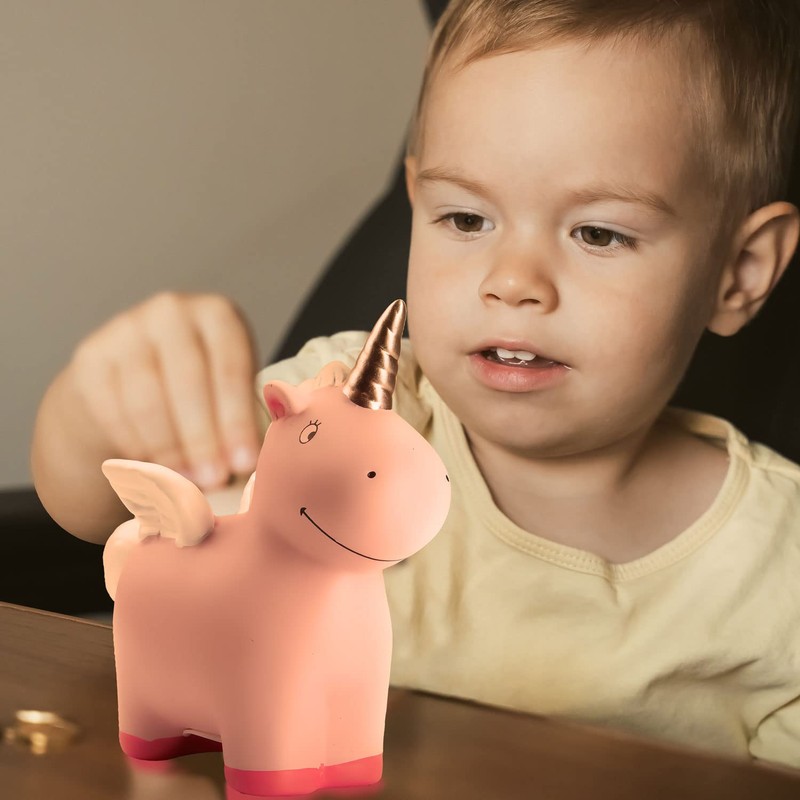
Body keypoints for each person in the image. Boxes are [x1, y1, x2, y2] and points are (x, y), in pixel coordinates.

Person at [31, 0, 800, 768]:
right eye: (465, 220)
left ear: (740, 272)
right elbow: (99, 512)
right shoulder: (344, 415)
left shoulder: (779, 568)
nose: (512, 281)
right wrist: (100, 412)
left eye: (598, 232)